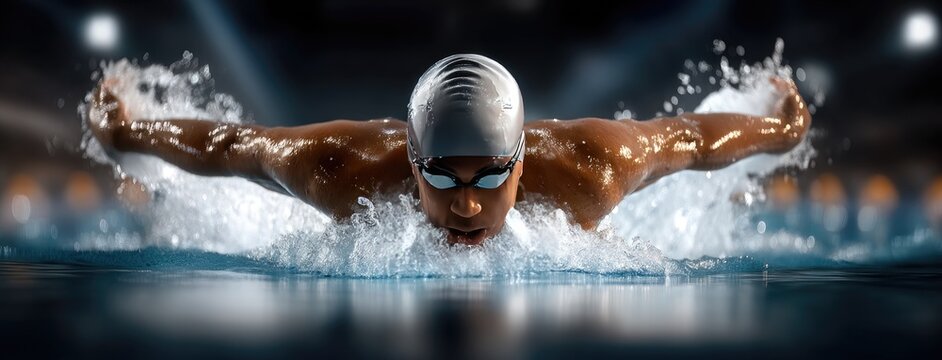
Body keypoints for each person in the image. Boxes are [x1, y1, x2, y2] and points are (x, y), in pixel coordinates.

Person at [87, 54, 810, 245]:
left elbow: (689, 139)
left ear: (523, 159)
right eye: (441, 175)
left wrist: (778, 129)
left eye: (492, 176)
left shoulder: (591, 170)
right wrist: (127, 133)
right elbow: (232, 146)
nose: (466, 204)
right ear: (410, 160)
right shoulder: (345, 171)